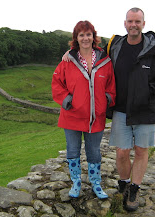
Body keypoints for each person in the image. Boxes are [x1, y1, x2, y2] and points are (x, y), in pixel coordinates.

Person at [62, 8, 155, 211]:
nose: (133, 25)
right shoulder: (115, 45)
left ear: (143, 23)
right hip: (121, 110)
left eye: (137, 21)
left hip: (145, 110)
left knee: (141, 151)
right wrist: (72, 52)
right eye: (130, 21)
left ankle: (134, 188)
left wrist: (150, 91)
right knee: (122, 152)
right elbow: (93, 54)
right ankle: (124, 182)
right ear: (125, 23)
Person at [52, 20, 116, 200]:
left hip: (96, 116)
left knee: (94, 152)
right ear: (76, 38)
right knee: (72, 151)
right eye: (81, 35)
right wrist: (67, 101)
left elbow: (111, 86)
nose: (85, 38)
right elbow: (57, 83)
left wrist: (106, 100)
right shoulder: (67, 60)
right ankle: (76, 183)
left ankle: (96, 183)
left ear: (93, 37)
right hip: (71, 116)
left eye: (88, 34)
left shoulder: (105, 61)